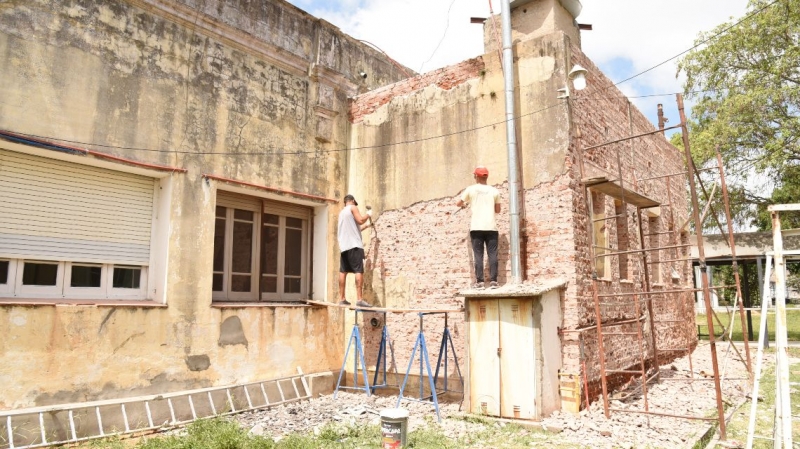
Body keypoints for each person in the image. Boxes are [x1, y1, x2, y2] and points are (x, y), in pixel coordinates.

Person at [457, 166, 501, 289]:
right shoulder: (494, 191)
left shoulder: (470, 189)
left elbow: (458, 203)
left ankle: (480, 282)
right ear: (487, 176)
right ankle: (494, 282)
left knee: (478, 255)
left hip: (476, 227)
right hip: (491, 227)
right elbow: (498, 210)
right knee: (492, 254)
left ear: (476, 176)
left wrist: (465, 204)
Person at [337, 194, 373, 306]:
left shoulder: (342, 213)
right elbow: (361, 220)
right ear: (352, 201)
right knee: (358, 270)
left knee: (343, 271)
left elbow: (356, 229)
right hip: (355, 246)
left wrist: (367, 226)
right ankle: (359, 299)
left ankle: (342, 299)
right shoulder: (352, 207)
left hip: (344, 247)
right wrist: (368, 214)